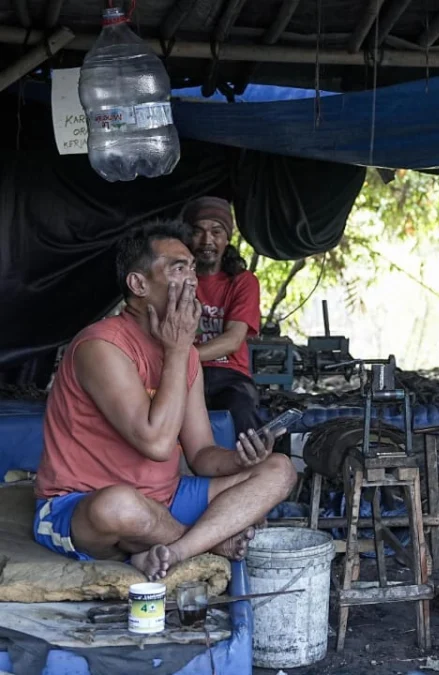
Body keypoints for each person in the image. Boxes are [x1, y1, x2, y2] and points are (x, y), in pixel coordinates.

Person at [32, 220, 296, 581]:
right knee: (118, 505)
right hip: (82, 504)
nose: (192, 279)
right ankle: (210, 543)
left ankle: (175, 550)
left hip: (165, 500)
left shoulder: (184, 353)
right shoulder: (101, 345)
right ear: (138, 284)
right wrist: (177, 350)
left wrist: (239, 459)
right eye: (177, 268)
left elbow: (202, 455)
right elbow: (156, 443)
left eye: (191, 268)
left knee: (279, 470)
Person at [182, 197, 264, 438]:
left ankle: (252, 472)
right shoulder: (174, 279)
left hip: (229, 374)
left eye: (216, 232)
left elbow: (232, 340)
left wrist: (182, 355)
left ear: (227, 238)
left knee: (242, 411)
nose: (207, 241)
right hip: (181, 371)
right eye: (198, 232)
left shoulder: (243, 281)